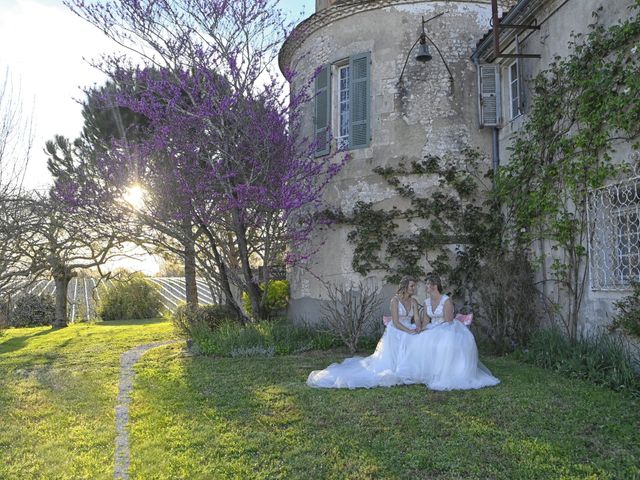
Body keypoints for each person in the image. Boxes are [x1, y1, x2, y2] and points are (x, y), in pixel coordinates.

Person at [307, 276, 421, 388]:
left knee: (416, 339)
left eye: (414, 286)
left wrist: (418, 327)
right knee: (404, 339)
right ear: (405, 287)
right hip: (397, 329)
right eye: (412, 286)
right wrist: (408, 331)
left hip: (408, 327)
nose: (414, 288)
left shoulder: (414, 301)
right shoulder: (395, 301)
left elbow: (416, 318)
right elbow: (396, 322)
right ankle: (397, 369)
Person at [404, 274, 500, 390]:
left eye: (428, 284)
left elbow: (449, 320)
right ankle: (425, 372)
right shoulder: (426, 302)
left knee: (444, 342)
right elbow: (425, 320)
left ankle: (445, 373)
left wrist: (434, 328)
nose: (426, 287)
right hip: (432, 326)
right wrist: (422, 329)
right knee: (418, 339)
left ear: (434, 286)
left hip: (446, 326)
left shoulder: (446, 300)